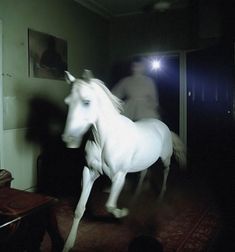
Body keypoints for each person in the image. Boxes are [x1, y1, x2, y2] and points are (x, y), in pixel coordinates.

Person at [112, 56, 160, 121]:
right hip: (129, 109)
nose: (136, 68)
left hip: (146, 110)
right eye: (134, 65)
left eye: (139, 66)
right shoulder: (126, 81)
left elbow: (154, 98)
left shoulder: (149, 81)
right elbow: (116, 94)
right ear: (132, 67)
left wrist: (152, 106)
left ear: (143, 67)